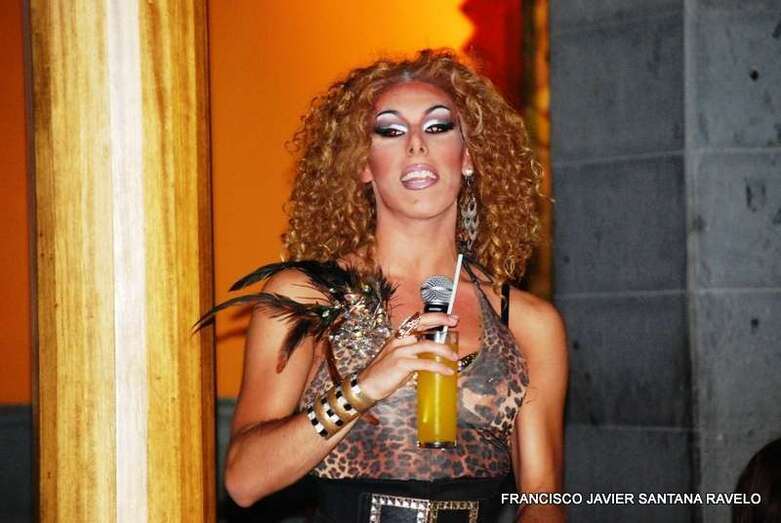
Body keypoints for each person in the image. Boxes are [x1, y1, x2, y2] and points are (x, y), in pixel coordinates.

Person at [219, 48, 568, 522]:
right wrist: (364, 387)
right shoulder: (308, 296)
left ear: (468, 157)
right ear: (363, 165)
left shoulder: (527, 323)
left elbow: (544, 503)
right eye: (391, 130)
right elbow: (243, 480)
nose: (417, 145)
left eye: (438, 127)